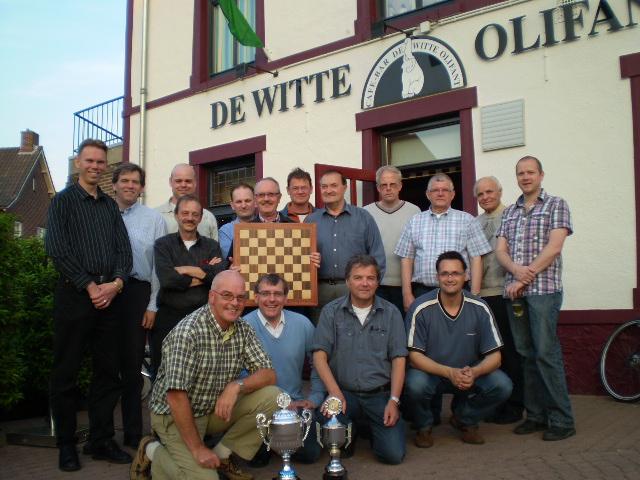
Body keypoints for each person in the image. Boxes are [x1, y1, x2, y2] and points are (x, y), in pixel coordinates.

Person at [130, 270, 279, 480]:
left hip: (210, 408)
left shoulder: (243, 328)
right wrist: (197, 449)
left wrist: (236, 386)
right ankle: (152, 451)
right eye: (227, 295)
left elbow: (269, 374)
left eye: (240, 297)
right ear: (211, 297)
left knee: (274, 397)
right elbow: (176, 396)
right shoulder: (187, 333)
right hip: (174, 415)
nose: (234, 303)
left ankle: (221, 457)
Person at [45, 139, 133, 471]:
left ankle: (101, 440)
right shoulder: (63, 202)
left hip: (110, 297)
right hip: (75, 296)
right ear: (79, 163)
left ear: (105, 166)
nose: (95, 166)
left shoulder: (110, 206)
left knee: (108, 373)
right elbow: (57, 248)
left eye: (100, 162)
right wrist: (90, 285)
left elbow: (124, 250)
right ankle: (66, 444)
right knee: (66, 373)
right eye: (90, 161)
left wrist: (117, 283)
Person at [496, 155, 576, 441]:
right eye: (521, 173)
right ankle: (536, 416)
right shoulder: (509, 212)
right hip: (515, 294)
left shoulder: (556, 204)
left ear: (541, 175)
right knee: (526, 355)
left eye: (530, 172)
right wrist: (516, 272)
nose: (525, 177)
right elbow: (501, 251)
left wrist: (523, 277)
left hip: (544, 292)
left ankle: (562, 420)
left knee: (545, 354)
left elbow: (554, 247)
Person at [404, 251, 512, 447]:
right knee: (414, 384)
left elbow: (495, 357)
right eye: (444, 274)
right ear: (437, 277)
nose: (450, 278)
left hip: (467, 372)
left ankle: (465, 418)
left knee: (502, 385)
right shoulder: (420, 307)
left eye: (455, 273)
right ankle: (424, 426)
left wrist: (475, 371)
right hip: (432, 373)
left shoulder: (480, 307)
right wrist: (449, 372)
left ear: (466, 275)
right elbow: (414, 357)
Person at [312, 255, 406, 465]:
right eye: (358, 277)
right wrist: (334, 393)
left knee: (392, 455)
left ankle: (370, 428)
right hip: (344, 393)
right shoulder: (331, 312)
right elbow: (319, 356)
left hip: (379, 395)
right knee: (336, 444)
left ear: (378, 282)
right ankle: (352, 429)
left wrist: (394, 401)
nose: (365, 283)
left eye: (370, 278)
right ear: (347, 281)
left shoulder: (392, 313)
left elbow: (399, 359)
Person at [112, 163, 167, 449]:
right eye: (125, 180)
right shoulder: (103, 214)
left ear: (142, 187)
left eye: (135, 181)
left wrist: (152, 305)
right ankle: (102, 435)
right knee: (106, 366)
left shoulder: (154, 219)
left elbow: (158, 267)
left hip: (137, 292)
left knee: (133, 367)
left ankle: (133, 433)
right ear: (115, 184)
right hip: (106, 292)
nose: (130, 185)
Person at [243, 273, 325, 464]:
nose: (271, 299)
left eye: (277, 294)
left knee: (310, 454)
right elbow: (238, 374)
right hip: (258, 406)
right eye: (265, 294)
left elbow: (318, 363)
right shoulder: (243, 326)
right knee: (257, 461)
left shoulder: (302, 324)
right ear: (256, 297)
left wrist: (315, 398)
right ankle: (274, 441)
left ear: (286, 298)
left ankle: (279, 442)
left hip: (294, 406)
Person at [152, 194, 227, 375]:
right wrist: (204, 272)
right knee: (165, 371)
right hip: (169, 317)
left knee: (202, 372)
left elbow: (218, 278)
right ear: (176, 215)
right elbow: (167, 280)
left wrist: (187, 269)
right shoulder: (162, 245)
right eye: (185, 213)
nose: (190, 218)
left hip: (203, 318)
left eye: (195, 214)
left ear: (200, 218)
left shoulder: (211, 246)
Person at [395, 173, 491, 312]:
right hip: (423, 292)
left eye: (445, 190)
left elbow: (476, 258)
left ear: (452, 194)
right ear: (428, 194)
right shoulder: (414, 221)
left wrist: (474, 295)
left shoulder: (467, 220)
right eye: (435, 190)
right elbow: (406, 259)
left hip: (459, 292)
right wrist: (407, 294)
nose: (440, 193)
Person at [474, 176, 524, 425]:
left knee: (511, 351)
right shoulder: (475, 222)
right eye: (480, 194)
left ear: (500, 192)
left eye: (489, 192)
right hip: (483, 295)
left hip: (506, 294)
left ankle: (515, 405)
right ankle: (496, 403)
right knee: (490, 352)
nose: (485, 197)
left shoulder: (513, 216)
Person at [305, 171, 386, 324]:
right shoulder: (311, 220)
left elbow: (378, 257)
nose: (328, 190)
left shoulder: (363, 217)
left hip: (355, 289)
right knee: (323, 334)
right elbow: (301, 257)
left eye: (334, 185)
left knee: (355, 333)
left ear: (344, 187)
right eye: (324, 186)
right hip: (320, 291)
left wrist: (369, 288)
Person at [364, 165, 420, 314]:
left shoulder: (414, 211)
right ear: (378, 188)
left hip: (407, 286)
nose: (388, 189)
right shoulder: (366, 212)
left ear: (400, 186)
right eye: (384, 185)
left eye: (393, 184)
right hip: (375, 284)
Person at [155, 163, 218, 240]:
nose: (183, 185)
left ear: (195, 183)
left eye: (188, 181)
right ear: (170, 182)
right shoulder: (155, 216)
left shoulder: (208, 217)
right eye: (178, 181)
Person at [218, 183, 256, 258]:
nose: (243, 205)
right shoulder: (226, 231)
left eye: (247, 201)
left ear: (255, 202)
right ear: (232, 205)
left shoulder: (266, 225)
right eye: (239, 202)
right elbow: (232, 258)